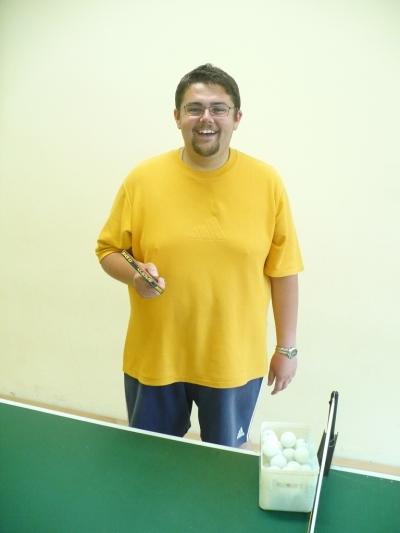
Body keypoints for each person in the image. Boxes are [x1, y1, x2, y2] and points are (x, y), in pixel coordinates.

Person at [96, 63, 303, 448]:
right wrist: (135, 276)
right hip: (155, 358)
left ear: (237, 118)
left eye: (219, 108)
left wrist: (286, 348)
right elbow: (109, 250)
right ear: (177, 117)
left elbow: (284, 271)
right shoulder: (142, 180)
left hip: (233, 362)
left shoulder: (267, 183)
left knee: (221, 468)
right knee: (149, 463)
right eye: (194, 108)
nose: (206, 118)